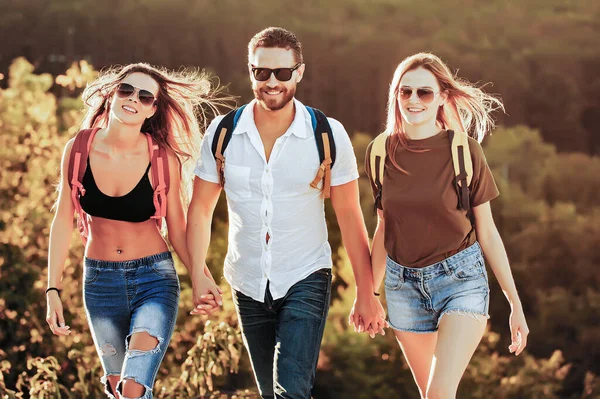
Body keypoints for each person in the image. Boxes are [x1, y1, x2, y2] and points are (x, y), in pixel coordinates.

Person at [187, 27, 386, 399]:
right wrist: (198, 273)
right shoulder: (222, 133)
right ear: (251, 72)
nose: (272, 82)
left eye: (282, 72)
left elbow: (349, 217)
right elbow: (199, 212)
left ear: (299, 72)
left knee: (291, 391)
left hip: (306, 274)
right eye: (262, 73)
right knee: (271, 394)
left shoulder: (327, 134)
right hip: (246, 281)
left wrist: (366, 290)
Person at [45, 63, 223, 399]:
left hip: (153, 279)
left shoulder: (161, 158)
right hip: (99, 284)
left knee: (132, 387)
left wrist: (200, 275)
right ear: (112, 94)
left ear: (152, 108)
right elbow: (62, 221)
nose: (133, 100)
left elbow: (178, 229)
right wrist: (52, 289)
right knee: (116, 387)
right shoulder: (79, 149)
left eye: (144, 96)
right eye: (126, 90)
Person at [366, 53, 530, 399]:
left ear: (441, 96)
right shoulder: (379, 152)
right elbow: (384, 228)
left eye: (424, 92)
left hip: (461, 281)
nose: (413, 100)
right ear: (395, 95)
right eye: (404, 91)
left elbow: (487, 231)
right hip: (403, 287)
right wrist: (369, 293)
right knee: (431, 396)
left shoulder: (465, 151)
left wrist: (514, 302)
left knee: (440, 393)